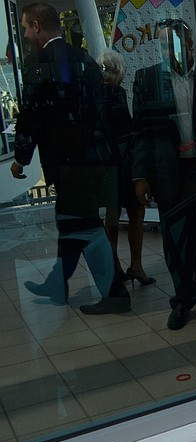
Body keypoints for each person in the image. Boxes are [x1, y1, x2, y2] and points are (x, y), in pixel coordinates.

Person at [11, 3, 130, 314]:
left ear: (37, 26)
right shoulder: (84, 60)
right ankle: (57, 283)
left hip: (69, 162)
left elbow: (33, 114)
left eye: (26, 27)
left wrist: (20, 157)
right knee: (70, 222)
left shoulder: (40, 62)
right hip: (94, 158)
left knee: (85, 225)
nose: (24, 34)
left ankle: (115, 294)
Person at [131, 19, 196, 330]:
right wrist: (140, 176)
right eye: (164, 45)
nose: (169, 50)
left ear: (191, 45)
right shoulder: (147, 78)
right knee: (176, 239)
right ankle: (184, 298)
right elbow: (140, 132)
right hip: (168, 172)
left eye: (176, 44)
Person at [100, 50, 156, 287]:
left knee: (111, 216)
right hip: (123, 163)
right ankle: (137, 266)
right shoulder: (117, 93)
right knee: (136, 213)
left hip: (104, 164)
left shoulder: (94, 94)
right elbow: (125, 131)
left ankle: (115, 266)